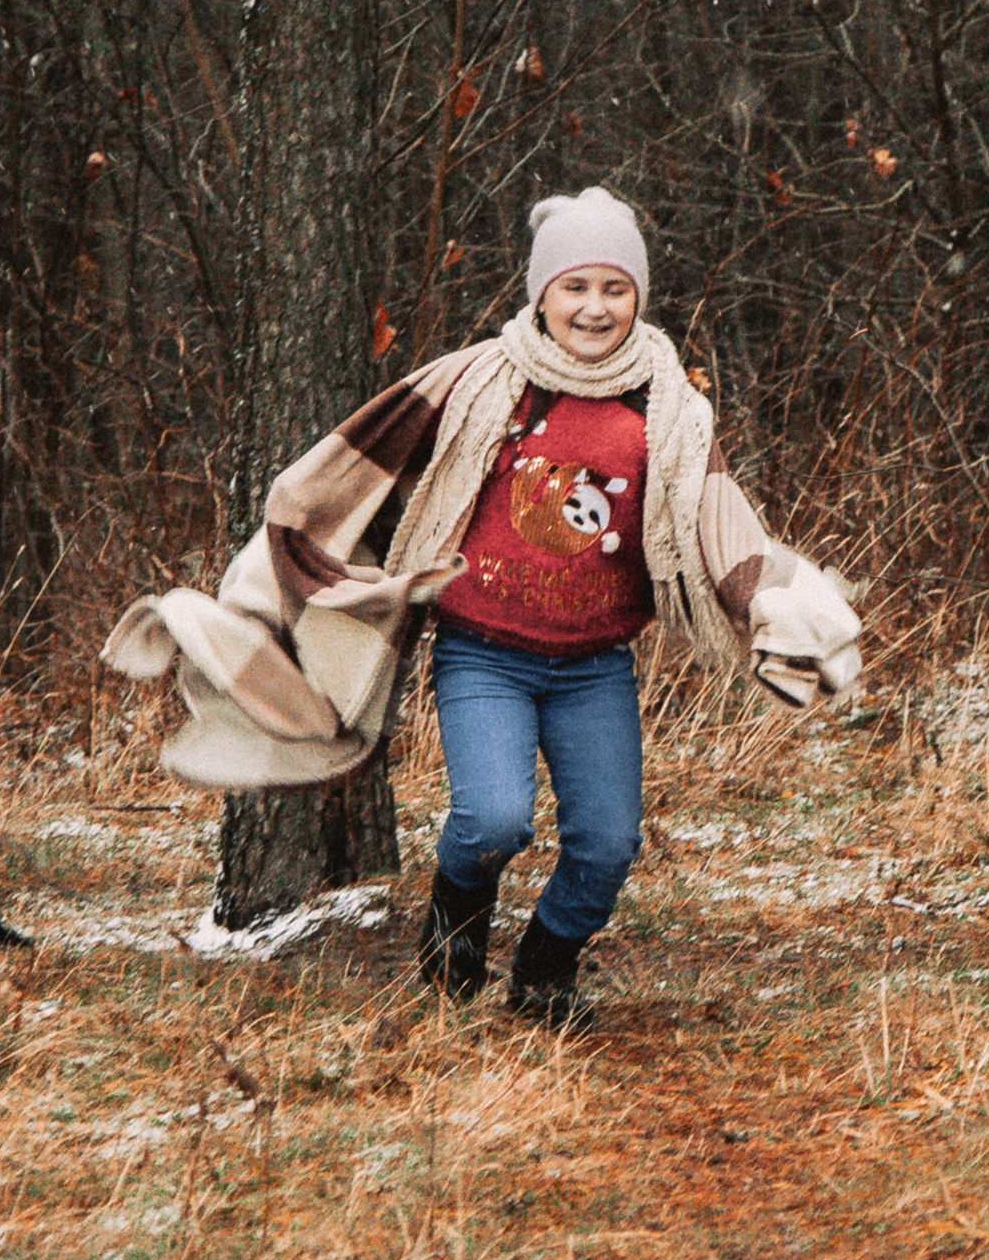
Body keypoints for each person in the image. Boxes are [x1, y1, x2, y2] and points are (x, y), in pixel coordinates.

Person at [103, 190, 862, 1025]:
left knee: (608, 846)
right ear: (542, 293)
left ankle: (546, 964)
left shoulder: (669, 409)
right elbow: (366, 458)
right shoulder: (478, 381)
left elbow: (720, 524)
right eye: (576, 287)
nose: (595, 307)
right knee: (493, 819)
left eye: (615, 288)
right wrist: (305, 526)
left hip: (593, 665)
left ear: (640, 295)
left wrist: (779, 607)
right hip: (484, 653)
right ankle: (454, 923)